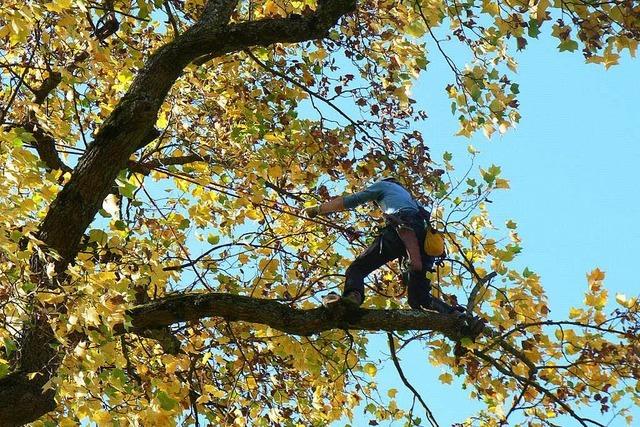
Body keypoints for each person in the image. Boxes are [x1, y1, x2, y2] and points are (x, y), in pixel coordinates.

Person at [305, 177, 461, 314]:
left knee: (357, 269)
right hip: (426, 239)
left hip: (401, 224)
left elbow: (352, 200)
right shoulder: (413, 200)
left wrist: (319, 209)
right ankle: (456, 316)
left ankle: (353, 296)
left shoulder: (385, 186)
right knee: (419, 300)